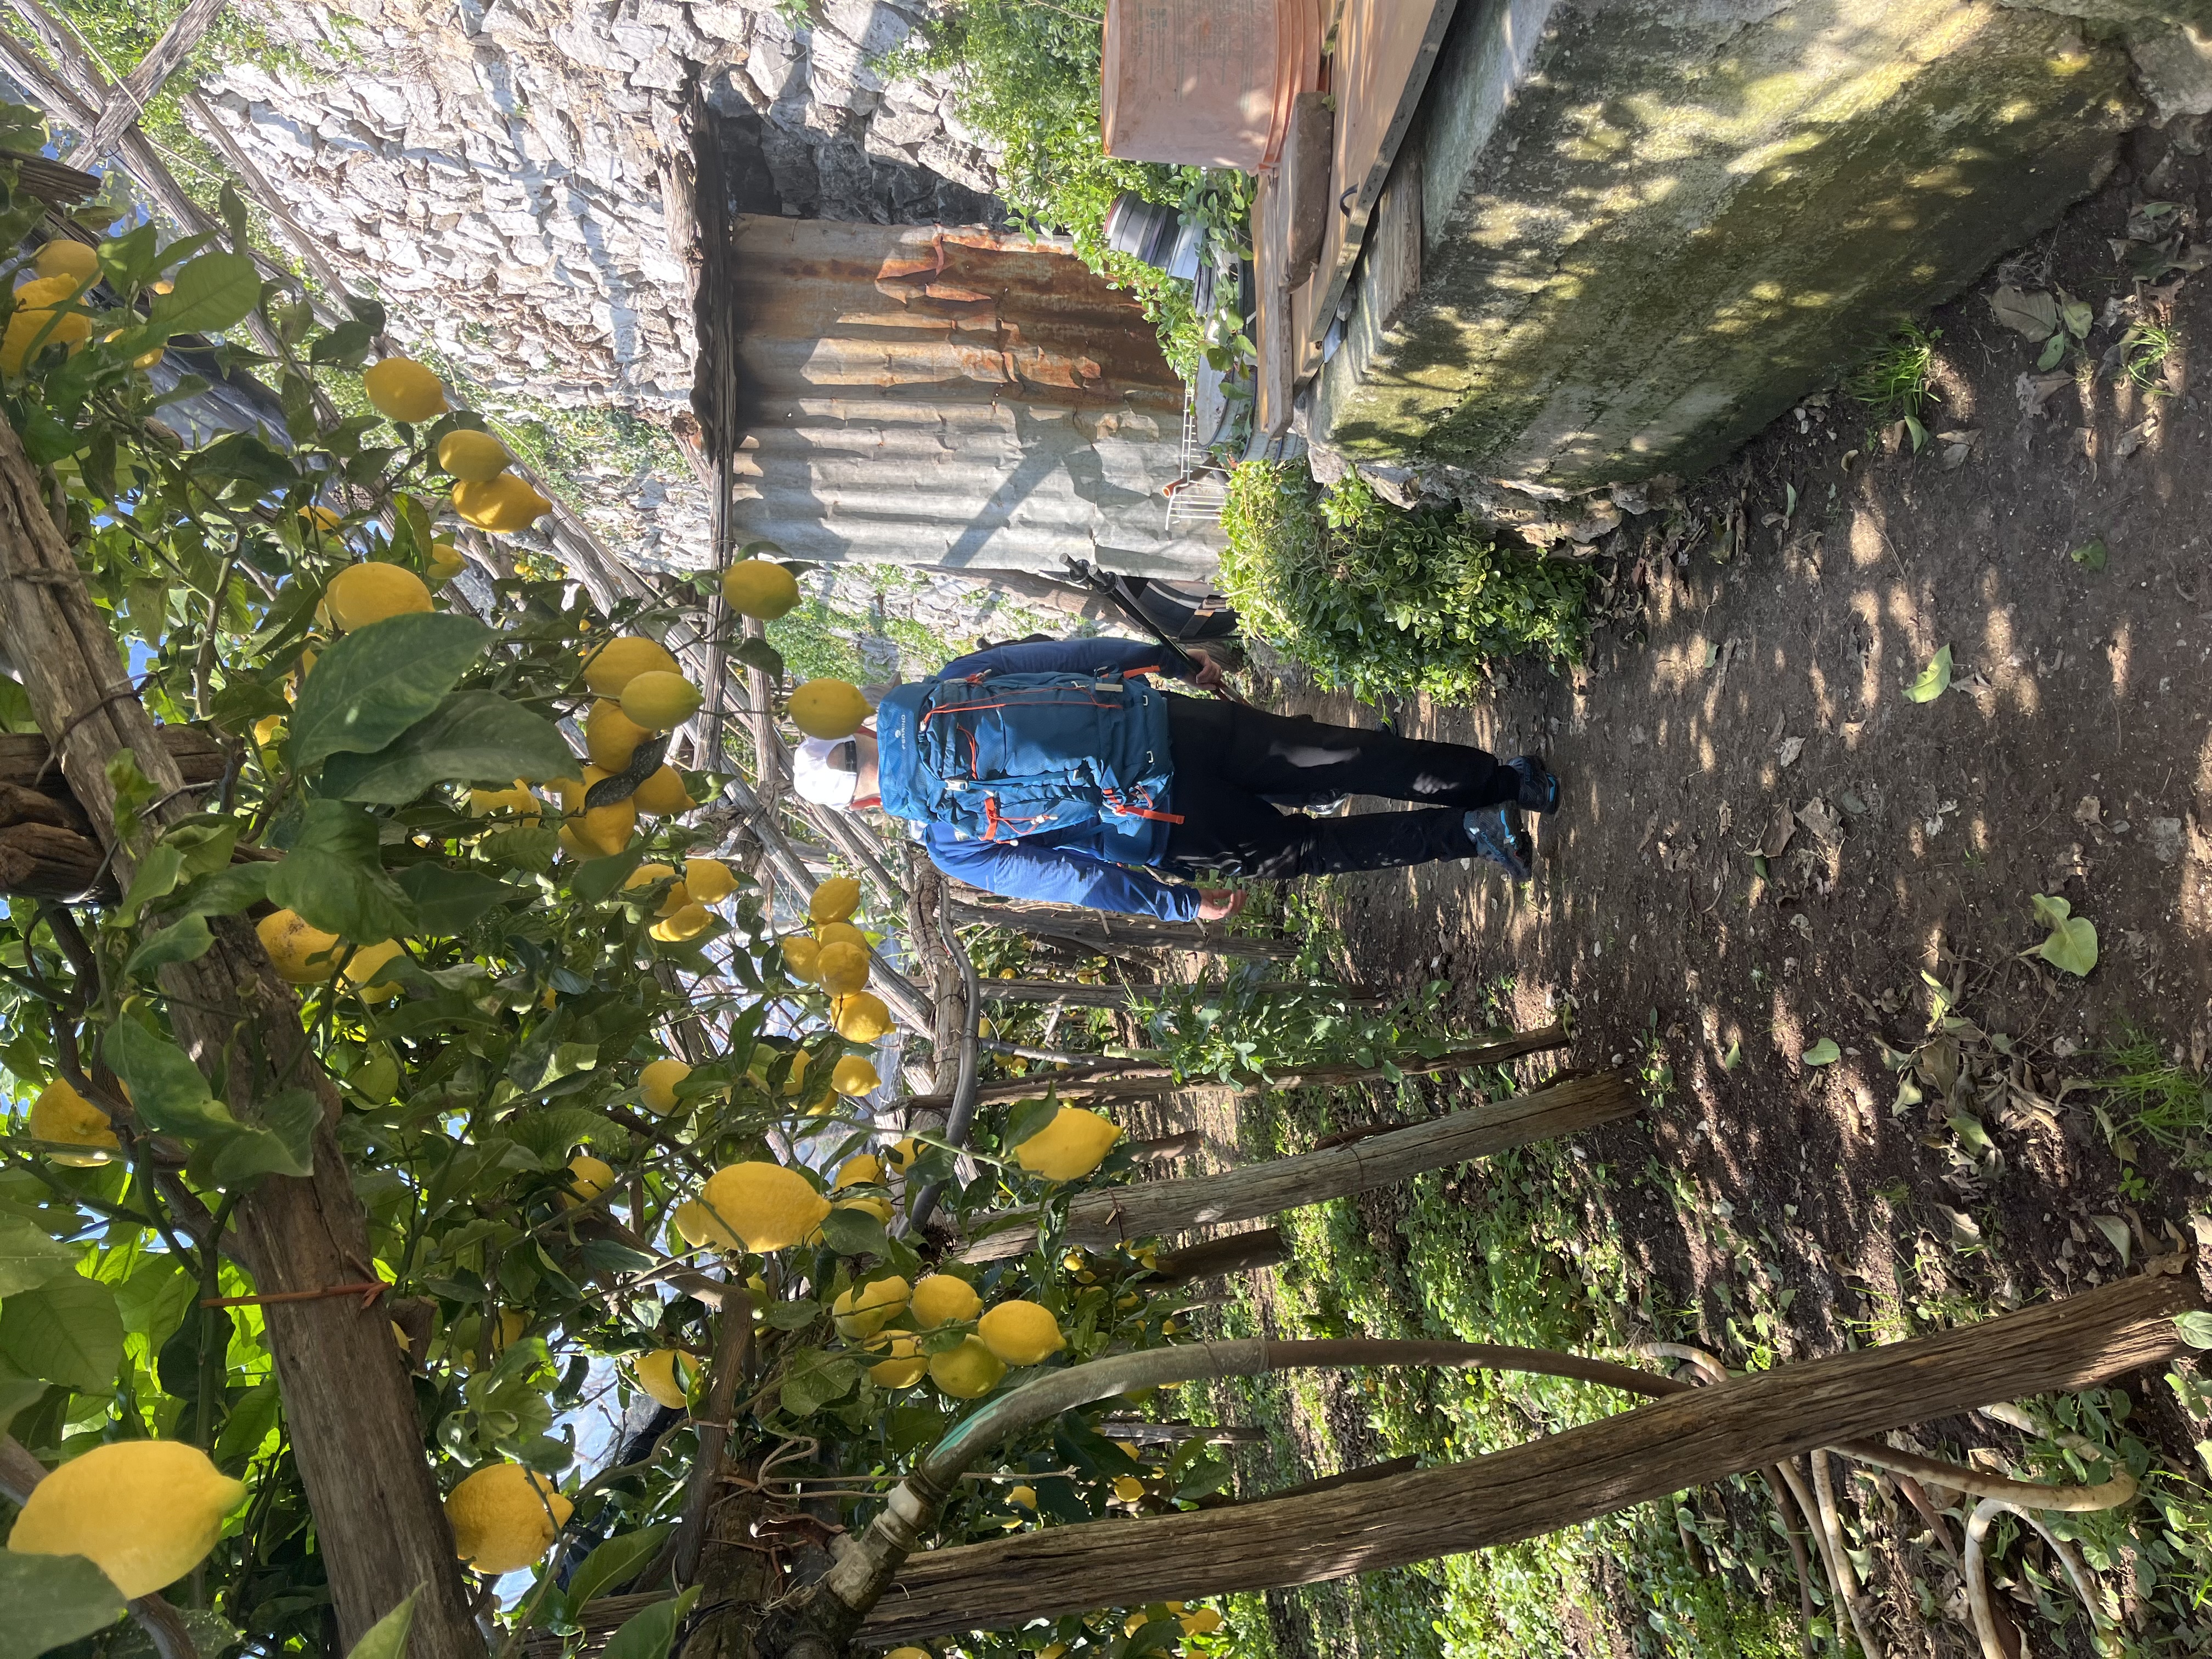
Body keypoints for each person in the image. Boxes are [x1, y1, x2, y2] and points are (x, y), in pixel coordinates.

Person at [789, 636, 1557, 922]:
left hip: (1161, 822)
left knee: (1311, 850)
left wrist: (1180, 903)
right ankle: (1506, 782)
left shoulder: (949, 843)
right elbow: (1064, 659)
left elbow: (1074, 878)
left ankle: (1469, 832)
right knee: (1335, 753)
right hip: (1165, 725)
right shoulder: (948, 686)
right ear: (859, 729)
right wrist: (1168, 660)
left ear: (863, 805)